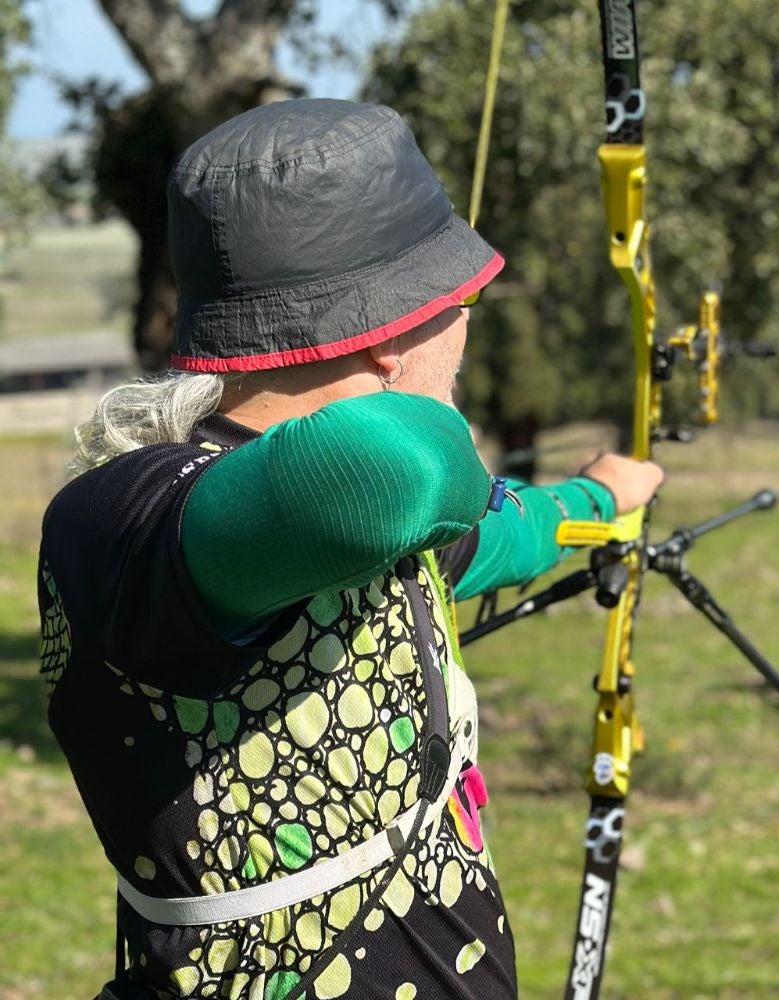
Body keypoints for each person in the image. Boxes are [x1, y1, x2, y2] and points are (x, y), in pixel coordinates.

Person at [37, 98, 662, 1000]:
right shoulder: (127, 521)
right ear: (385, 343)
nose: (468, 329)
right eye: (461, 303)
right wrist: (435, 420)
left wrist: (598, 498)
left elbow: (493, 534)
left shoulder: (356, 535)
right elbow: (402, 468)